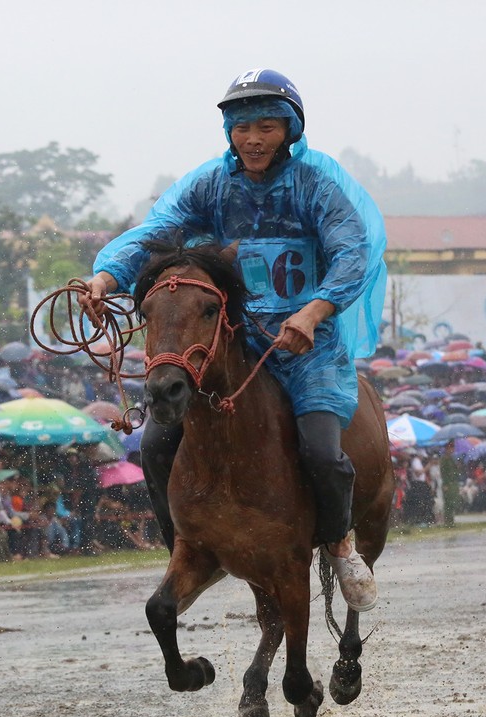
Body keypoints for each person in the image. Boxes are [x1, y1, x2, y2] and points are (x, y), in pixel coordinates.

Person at [82, 69, 387, 611]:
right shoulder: (210, 185)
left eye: (267, 127)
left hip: (306, 342)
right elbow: (154, 234)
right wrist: (106, 278)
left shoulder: (315, 186)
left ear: (289, 130)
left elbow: (352, 254)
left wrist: (313, 312)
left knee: (322, 451)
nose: (253, 139)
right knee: (155, 444)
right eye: (243, 128)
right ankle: (185, 546)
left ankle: (340, 544)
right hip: (235, 338)